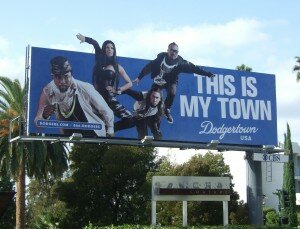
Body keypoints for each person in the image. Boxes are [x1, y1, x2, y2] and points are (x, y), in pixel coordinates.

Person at [133, 42, 214, 124]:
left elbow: (194, 69)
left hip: (171, 81)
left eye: (176, 51)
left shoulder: (181, 63)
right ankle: (143, 110)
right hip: (159, 80)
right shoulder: (160, 58)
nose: (173, 53)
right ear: (168, 50)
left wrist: (208, 74)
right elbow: (149, 66)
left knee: (172, 92)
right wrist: (140, 77)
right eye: (171, 50)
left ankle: (166, 109)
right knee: (152, 95)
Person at [35, 56, 114, 137]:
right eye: (58, 77)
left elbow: (105, 110)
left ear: (71, 74)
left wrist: (110, 131)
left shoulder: (84, 88)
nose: (62, 81)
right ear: (53, 76)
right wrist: (44, 116)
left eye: (66, 76)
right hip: (68, 139)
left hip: (94, 135)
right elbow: (38, 123)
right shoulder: (48, 91)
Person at [76, 33, 133, 122]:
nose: (109, 49)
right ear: (104, 49)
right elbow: (95, 43)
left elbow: (130, 83)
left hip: (109, 98)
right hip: (96, 98)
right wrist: (85, 39)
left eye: (112, 48)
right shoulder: (99, 59)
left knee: (130, 119)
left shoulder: (117, 67)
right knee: (96, 122)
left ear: (114, 50)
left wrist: (117, 89)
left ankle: (112, 129)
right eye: (107, 47)